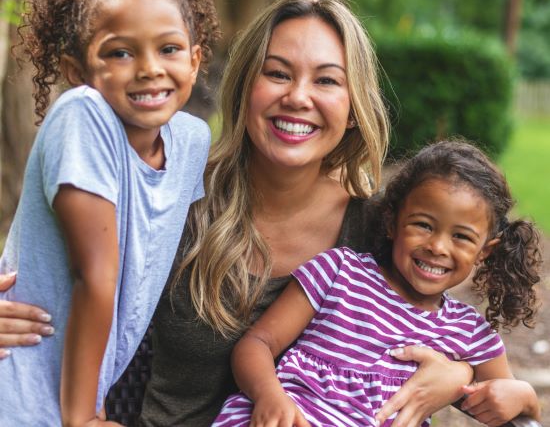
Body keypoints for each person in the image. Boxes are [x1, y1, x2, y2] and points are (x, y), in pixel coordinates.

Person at [0, 0, 518, 427]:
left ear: (355, 108)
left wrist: (460, 374)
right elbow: (63, 269)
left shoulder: (380, 230)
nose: (298, 97)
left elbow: (447, 328)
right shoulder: (178, 191)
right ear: (246, 85)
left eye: (327, 80)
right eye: (277, 73)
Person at [0, 0, 219, 426]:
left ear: (194, 60)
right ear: (77, 71)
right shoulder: (83, 115)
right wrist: (83, 417)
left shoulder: (189, 141)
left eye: (168, 48)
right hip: (20, 389)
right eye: (119, 52)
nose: (148, 68)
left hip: (72, 390)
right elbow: (94, 276)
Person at [212, 140, 542, 427]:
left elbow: (504, 397)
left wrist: (526, 398)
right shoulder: (339, 272)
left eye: (461, 236)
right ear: (391, 222)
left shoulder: (467, 331)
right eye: (424, 225)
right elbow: (257, 344)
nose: (438, 247)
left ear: (484, 251)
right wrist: (269, 396)